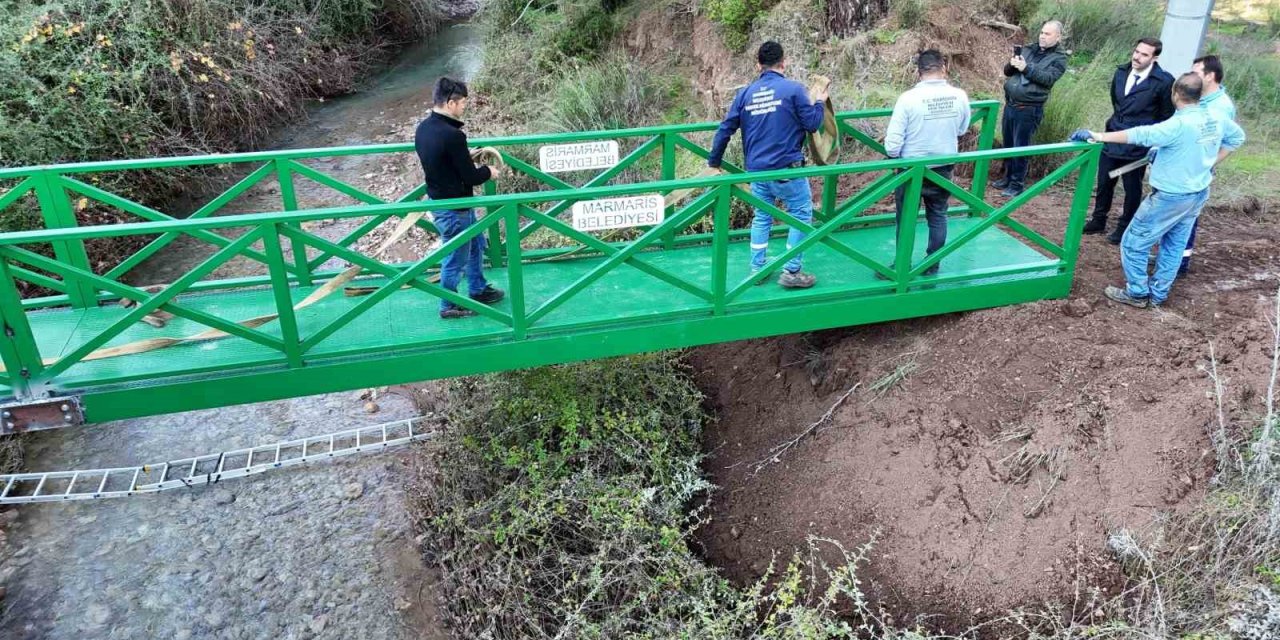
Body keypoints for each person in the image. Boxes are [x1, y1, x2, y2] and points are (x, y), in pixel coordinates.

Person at [1074, 73, 1245, 309]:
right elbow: (1237, 138)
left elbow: (1140, 134)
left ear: (1175, 94)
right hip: (1197, 193)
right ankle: (1158, 294)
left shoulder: (1178, 125)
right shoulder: (1215, 117)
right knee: (1173, 246)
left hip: (1170, 197)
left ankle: (1137, 293)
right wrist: (1208, 162)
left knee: (1133, 243)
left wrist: (1099, 136)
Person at [707, 40, 828, 289]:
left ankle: (758, 268)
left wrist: (714, 161)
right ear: (784, 62)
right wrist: (819, 102)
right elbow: (813, 124)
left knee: (762, 216)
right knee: (801, 213)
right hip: (787, 169)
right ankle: (792, 270)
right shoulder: (794, 90)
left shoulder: (745, 94)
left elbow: (725, 130)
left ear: (758, 65)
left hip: (757, 171)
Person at [414, 77, 505, 319]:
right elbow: (471, 177)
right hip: (456, 208)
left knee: (476, 245)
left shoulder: (423, 128)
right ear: (451, 102)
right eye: (463, 102)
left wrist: (465, 156)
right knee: (455, 257)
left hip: (440, 201)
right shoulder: (453, 136)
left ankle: (477, 289)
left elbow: (441, 162)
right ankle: (448, 305)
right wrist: (489, 171)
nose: (465, 106)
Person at [881, 49, 971, 277]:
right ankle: (932, 265)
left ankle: (901, 266)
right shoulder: (959, 96)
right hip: (943, 167)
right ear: (944, 69)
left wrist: (897, 154)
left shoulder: (908, 99)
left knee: (906, 218)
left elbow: (892, 145)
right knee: (939, 214)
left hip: (911, 170)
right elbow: (962, 129)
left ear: (918, 72)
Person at [1082, 38, 1175, 244]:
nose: (1137, 57)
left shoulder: (1164, 81)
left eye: (1144, 54)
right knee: (1105, 181)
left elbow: (1166, 115)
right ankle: (1098, 219)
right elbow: (1117, 102)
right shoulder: (1121, 72)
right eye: (1136, 51)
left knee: (1132, 187)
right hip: (1113, 135)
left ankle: (1125, 227)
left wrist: (1154, 141)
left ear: (1155, 58)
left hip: (1137, 144)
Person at [992, 20, 1067, 198]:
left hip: (1029, 108)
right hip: (1011, 104)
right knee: (1008, 144)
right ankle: (1007, 177)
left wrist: (1026, 68)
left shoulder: (1059, 59)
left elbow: (1048, 79)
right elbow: (1008, 72)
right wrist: (1013, 63)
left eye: (1048, 34)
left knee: (1021, 147)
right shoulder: (1028, 48)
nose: (1042, 36)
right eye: (1042, 32)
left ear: (1058, 37)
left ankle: (1017, 184)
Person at [1180, 55, 1237, 275]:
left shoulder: (1220, 107)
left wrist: (1208, 163)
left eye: (1197, 72)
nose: (1192, 77)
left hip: (1196, 169)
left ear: (1210, 76)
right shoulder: (1201, 99)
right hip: (1184, 165)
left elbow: (1229, 141)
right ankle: (1173, 255)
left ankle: (1181, 262)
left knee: (1187, 216)